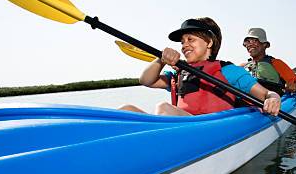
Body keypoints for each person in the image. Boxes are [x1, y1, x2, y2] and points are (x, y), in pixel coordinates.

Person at [119, 17, 281, 116]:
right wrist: (161, 60)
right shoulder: (179, 73)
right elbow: (146, 80)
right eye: (182, 42)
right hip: (182, 127)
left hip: (212, 129)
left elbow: (266, 94)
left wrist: (274, 99)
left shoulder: (228, 71)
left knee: (163, 108)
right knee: (125, 110)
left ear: (209, 42)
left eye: (191, 39)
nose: (184, 45)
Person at [242, 28, 296, 95]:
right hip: (245, 102)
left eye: (254, 41)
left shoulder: (276, 63)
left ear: (264, 44)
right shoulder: (243, 67)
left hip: (271, 101)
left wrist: (294, 85)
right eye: (247, 42)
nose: (249, 45)